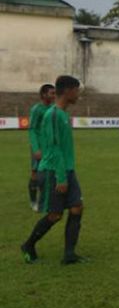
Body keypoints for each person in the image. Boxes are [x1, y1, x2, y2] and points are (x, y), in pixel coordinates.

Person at [21, 75, 85, 265]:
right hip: (55, 171)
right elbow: (55, 149)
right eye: (77, 90)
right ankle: (28, 245)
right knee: (55, 215)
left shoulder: (63, 114)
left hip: (67, 168)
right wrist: (61, 178)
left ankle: (69, 255)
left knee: (77, 208)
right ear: (67, 91)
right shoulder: (54, 115)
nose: (78, 94)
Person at [28, 84, 55, 212]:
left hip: (49, 147)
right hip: (38, 146)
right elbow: (32, 129)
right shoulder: (37, 109)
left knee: (48, 173)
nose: (54, 95)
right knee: (35, 173)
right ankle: (33, 201)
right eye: (51, 93)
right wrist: (35, 148)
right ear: (44, 94)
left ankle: (44, 200)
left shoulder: (53, 108)